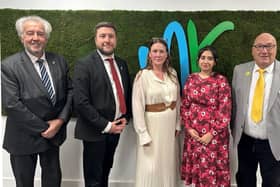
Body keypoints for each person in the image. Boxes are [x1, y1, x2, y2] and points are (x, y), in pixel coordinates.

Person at [1, 15, 73, 187]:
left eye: (40, 34)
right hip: (23, 137)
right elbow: (12, 104)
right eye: (30, 33)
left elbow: (70, 92)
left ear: (46, 38)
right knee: (24, 183)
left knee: (53, 181)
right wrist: (45, 128)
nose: (35, 38)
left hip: (53, 137)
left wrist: (60, 121)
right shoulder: (8, 66)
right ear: (22, 37)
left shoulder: (59, 61)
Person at [73, 21, 131, 187]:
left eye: (111, 36)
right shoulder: (84, 64)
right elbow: (81, 102)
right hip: (95, 130)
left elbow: (125, 92)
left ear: (116, 39)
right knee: (93, 179)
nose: (107, 40)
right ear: (96, 39)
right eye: (103, 36)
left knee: (106, 171)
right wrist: (106, 126)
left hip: (115, 131)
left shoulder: (121, 63)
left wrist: (126, 117)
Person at [231, 32, 280, 187]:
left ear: (276, 48)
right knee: (244, 181)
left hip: (273, 143)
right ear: (253, 50)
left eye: (269, 46)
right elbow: (233, 105)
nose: (264, 51)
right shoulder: (239, 71)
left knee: (273, 183)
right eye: (259, 46)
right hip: (245, 140)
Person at [132, 37, 181, 187]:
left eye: (161, 51)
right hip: (152, 127)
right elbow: (137, 106)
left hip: (170, 127)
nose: (158, 54)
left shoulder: (172, 73)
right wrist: (143, 133)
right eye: (155, 51)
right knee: (150, 166)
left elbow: (178, 100)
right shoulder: (143, 76)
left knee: (168, 163)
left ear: (167, 54)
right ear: (149, 55)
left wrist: (178, 124)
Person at [181, 45, 232, 187]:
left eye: (210, 58)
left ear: (215, 62)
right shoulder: (191, 79)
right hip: (194, 135)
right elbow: (185, 105)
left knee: (212, 175)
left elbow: (225, 111)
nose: (206, 61)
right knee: (198, 175)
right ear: (198, 60)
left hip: (215, 137)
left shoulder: (221, 81)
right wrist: (189, 128)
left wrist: (212, 133)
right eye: (203, 58)